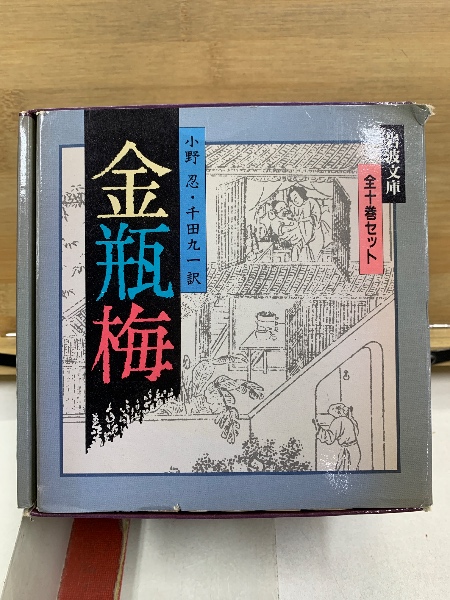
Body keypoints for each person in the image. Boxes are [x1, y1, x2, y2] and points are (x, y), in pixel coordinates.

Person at [312, 403, 361, 471]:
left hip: (348, 451)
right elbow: (356, 432)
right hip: (355, 449)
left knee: (345, 470)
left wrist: (319, 429)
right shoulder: (350, 420)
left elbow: (330, 438)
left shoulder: (339, 421)